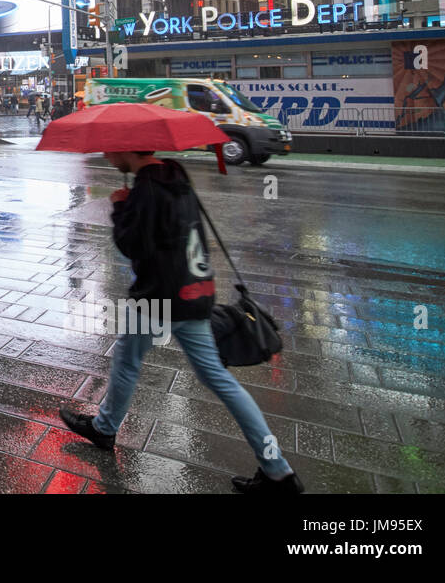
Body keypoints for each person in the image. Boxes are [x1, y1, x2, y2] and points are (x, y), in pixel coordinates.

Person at [59, 150, 304, 495]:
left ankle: (105, 427)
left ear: (130, 149)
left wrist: (119, 206)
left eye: (113, 150)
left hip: (161, 295)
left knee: (129, 360)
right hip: (194, 289)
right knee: (215, 378)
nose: (109, 156)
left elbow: (132, 246)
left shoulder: (147, 187)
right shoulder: (175, 174)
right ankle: (279, 471)